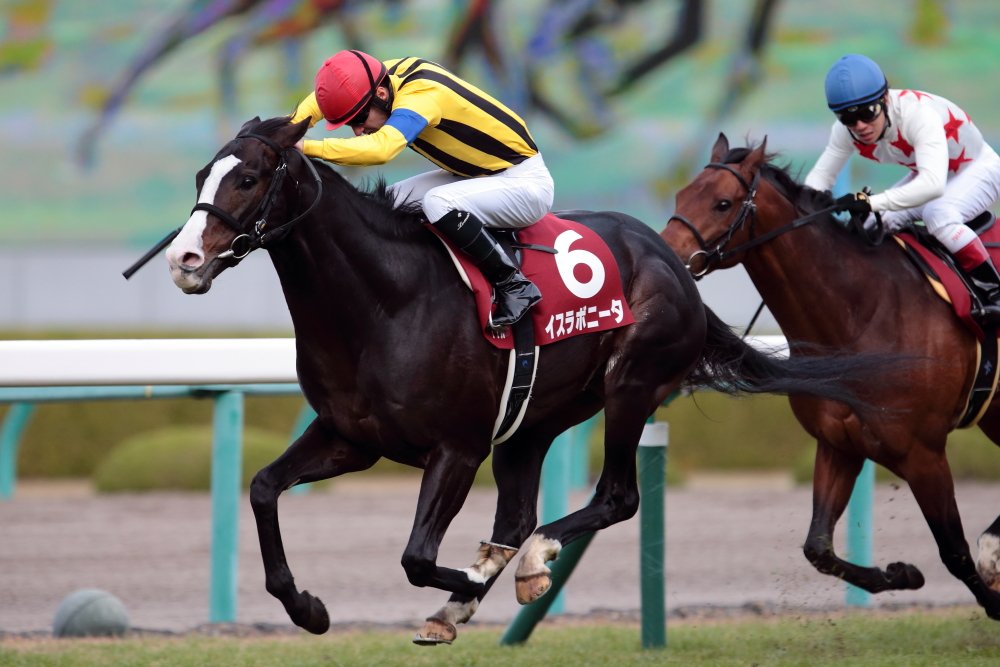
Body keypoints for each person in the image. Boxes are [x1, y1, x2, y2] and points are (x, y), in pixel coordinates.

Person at [290, 49, 554, 329]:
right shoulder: (379, 79)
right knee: (389, 201)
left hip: (523, 183)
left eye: (359, 119)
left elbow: (381, 149)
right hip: (476, 175)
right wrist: (286, 128)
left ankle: (514, 285)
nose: (357, 130)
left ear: (381, 95)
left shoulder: (422, 96)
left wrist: (307, 147)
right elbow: (319, 101)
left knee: (437, 202)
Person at [806, 53, 1000, 324]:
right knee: (869, 227)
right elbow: (820, 178)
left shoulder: (917, 115)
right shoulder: (844, 131)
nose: (860, 126)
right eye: (847, 118)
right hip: (933, 173)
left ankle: (995, 293)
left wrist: (870, 202)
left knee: (939, 216)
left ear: (885, 99)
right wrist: (807, 208)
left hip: (979, 169)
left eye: (867, 112)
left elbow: (932, 185)